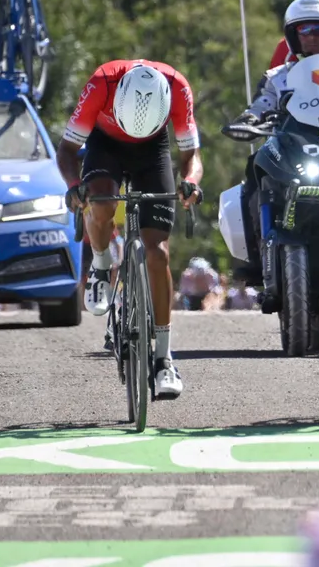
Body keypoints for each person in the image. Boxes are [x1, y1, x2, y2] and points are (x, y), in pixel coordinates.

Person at [56, 59, 203, 400]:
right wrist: (75, 186)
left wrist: (191, 182)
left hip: (153, 152)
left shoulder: (177, 86)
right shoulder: (102, 83)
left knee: (158, 253)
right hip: (105, 146)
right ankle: (101, 264)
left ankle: (164, 359)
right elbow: (66, 150)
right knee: (102, 203)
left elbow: (191, 155)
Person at [229, 0, 319, 292]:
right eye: (304, 30)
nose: (311, 37)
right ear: (293, 35)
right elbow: (259, 106)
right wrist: (250, 120)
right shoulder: (276, 78)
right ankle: (258, 258)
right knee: (255, 168)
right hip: (294, 150)